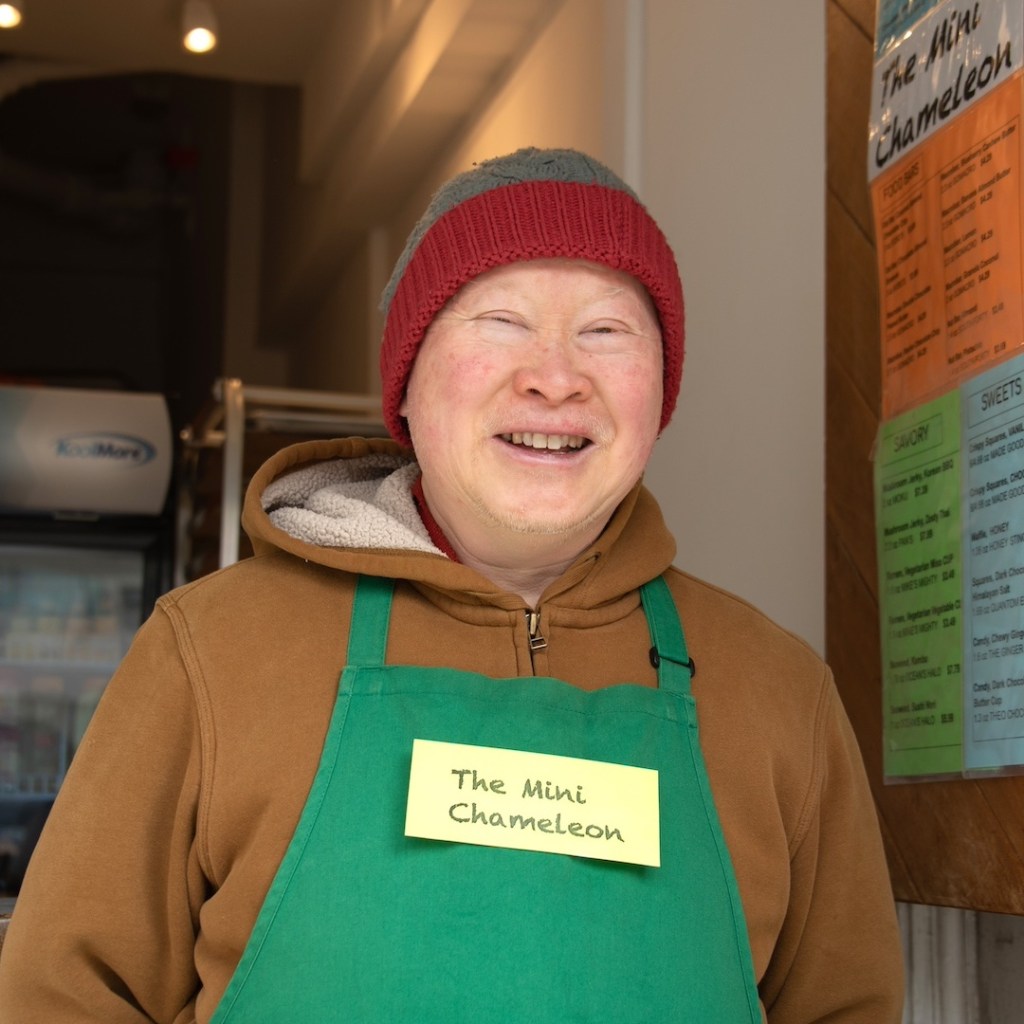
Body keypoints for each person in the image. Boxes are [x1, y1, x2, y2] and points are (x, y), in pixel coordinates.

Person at [0, 147, 904, 1022]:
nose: (555, 378)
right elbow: (63, 998)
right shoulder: (208, 653)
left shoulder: (783, 695)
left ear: (660, 392)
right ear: (408, 376)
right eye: (501, 322)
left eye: (606, 331)